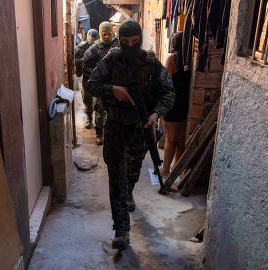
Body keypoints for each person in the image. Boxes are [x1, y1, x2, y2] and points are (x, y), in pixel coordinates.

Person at [86, 19, 175, 250]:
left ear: (140, 40)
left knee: (132, 172)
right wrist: (112, 90)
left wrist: (156, 113)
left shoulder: (151, 63)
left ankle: (129, 193)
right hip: (115, 127)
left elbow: (168, 92)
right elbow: (91, 84)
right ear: (119, 40)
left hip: (140, 129)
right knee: (117, 177)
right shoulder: (112, 59)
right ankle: (121, 229)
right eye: (125, 42)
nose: (130, 46)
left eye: (135, 42)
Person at [159, 31, 191, 177]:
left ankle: (165, 171)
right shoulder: (189, 59)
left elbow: (165, 82)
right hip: (184, 105)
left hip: (172, 105)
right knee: (180, 142)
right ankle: (176, 171)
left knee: (170, 140)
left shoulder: (173, 59)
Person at [83, 21, 119, 144]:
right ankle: (99, 134)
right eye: (104, 34)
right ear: (100, 33)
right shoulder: (94, 48)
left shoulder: (118, 45)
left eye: (109, 34)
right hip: (101, 86)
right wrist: (96, 73)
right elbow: (85, 66)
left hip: (117, 85)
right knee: (99, 110)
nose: (107, 36)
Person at [75, 29, 99, 125]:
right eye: (91, 38)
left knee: (98, 99)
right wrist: (85, 59)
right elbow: (75, 60)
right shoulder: (82, 46)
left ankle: (99, 122)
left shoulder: (99, 46)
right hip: (87, 76)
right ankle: (89, 118)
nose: (92, 40)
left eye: (94, 38)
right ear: (88, 37)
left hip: (98, 77)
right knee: (87, 98)